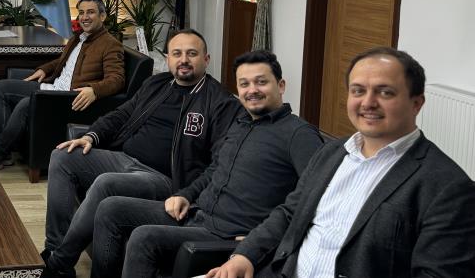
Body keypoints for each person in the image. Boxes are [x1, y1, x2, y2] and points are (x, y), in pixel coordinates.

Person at [207, 47, 475, 278]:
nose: (368, 103)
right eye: (358, 90)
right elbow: (290, 213)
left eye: (385, 92)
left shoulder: (448, 187)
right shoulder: (333, 152)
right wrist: (245, 256)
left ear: (416, 103)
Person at [89, 50, 324, 278]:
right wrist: (186, 195)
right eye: (244, 84)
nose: (252, 90)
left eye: (261, 82)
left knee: (144, 237)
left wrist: (256, 241)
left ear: (280, 86)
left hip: (229, 234)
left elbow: (311, 200)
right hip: (196, 213)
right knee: (111, 208)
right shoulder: (240, 122)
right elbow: (213, 170)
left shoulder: (299, 135)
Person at [41, 29, 242, 278]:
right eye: (177, 53)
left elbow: (220, 162)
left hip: (163, 178)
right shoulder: (157, 84)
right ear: (168, 58)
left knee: (106, 184)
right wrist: (91, 136)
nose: (184, 60)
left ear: (206, 59)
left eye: (192, 54)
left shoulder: (220, 102)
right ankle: (54, 248)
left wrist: (188, 194)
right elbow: (122, 114)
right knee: (62, 156)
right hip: (124, 158)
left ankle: (58, 263)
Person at [0, 0, 124, 173]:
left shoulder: (110, 44)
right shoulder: (78, 38)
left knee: (27, 103)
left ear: (102, 16)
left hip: (67, 99)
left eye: (90, 12)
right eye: (81, 13)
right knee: (1, 87)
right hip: (52, 88)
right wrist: (44, 69)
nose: (84, 17)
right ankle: (4, 151)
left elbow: (117, 79)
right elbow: (63, 62)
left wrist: (94, 90)